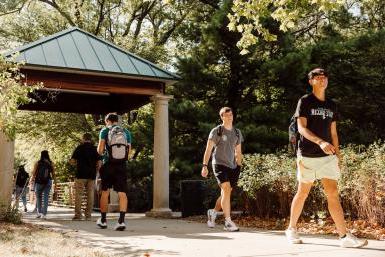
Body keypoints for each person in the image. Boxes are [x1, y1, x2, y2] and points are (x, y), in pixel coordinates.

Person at [285, 68, 368, 248]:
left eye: (325, 77)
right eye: (318, 77)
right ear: (311, 81)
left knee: (333, 194)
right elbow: (301, 128)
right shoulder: (305, 101)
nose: (323, 80)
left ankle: (344, 236)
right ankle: (291, 229)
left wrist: (337, 156)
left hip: (327, 157)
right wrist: (320, 142)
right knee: (303, 193)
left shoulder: (331, 104)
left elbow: (334, 133)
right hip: (307, 155)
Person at [201, 107, 243, 232]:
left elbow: (238, 151)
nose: (230, 117)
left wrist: (239, 166)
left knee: (226, 192)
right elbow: (208, 149)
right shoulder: (217, 131)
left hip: (233, 166)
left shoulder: (237, 132)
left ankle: (213, 212)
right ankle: (228, 221)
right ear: (222, 117)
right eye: (227, 115)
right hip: (218, 164)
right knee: (225, 189)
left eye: (231, 115)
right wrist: (204, 166)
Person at [96, 113, 131, 231]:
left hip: (108, 164)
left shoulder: (105, 131)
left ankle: (103, 220)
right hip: (121, 166)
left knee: (105, 192)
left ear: (107, 121)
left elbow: (100, 150)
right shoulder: (126, 132)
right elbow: (129, 152)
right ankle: (121, 221)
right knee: (122, 193)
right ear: (117, 121)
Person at [69, 133, 101, 221]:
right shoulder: (94, 149)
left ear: (83, 139)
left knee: (79, 195)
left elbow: (72, 161)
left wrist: (75, 163)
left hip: (80, 174)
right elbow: (99, 162)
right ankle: (88, 215)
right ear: (90, 139)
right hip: (91, 175)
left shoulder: (79, 148)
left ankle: (78, 215)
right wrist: (97, 171)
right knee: (90, 195)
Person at [31, 150, 56, 219]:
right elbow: (53, 174)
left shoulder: (37, 163)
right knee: (46, 197)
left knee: (38, 197)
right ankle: (44, 214)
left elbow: (33, 173)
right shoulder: (51, 163)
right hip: (48, 181)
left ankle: (39, 213)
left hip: (39, 182)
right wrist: (56, 183)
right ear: (48, 155)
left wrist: (32, 180)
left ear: (41, 155)